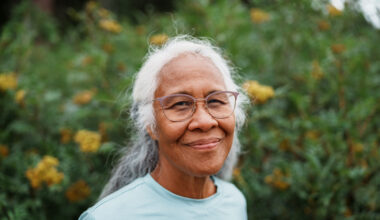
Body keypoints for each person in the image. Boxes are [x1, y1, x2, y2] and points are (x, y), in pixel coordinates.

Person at [79, 36, 248, 220]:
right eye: (181, 104)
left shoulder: (234, 202)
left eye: (215, 101)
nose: (205, 121)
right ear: (150, 125)